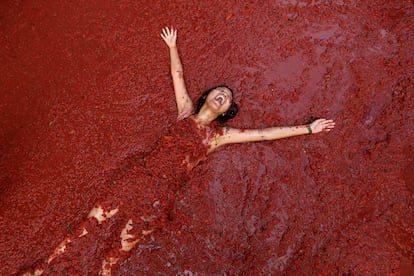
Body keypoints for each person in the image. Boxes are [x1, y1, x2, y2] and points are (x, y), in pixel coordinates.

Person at [26, 27, 335, 275]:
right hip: (135, 180)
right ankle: (40, 271)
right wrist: (173, 47)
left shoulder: (219, 136)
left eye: (226, 99)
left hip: (157, 199)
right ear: (207, 97)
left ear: (226, 111)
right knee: (86, 227)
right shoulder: (185, 111)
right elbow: (178, 77)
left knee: (114, 258)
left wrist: (307, 128)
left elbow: (264, 134)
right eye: (219, 92)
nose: (222, 96)